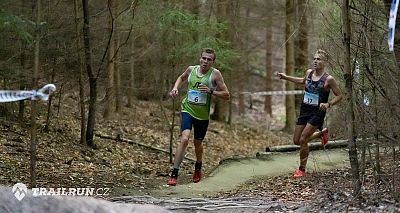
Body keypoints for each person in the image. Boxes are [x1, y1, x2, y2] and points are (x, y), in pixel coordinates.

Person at [167, 48, 230, 186]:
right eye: (204, 58)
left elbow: (226, 95)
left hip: (202, 116)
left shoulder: (215, 75)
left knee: (198, 144)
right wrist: (175, 88)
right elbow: (181, 78)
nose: (205, 62)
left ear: (213, 62)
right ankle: (174, 173)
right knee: (184, 139)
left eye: (209, 59)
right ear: (200, 58)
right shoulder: (191, 69)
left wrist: (211, 91)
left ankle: (198, 165)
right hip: (187, 109)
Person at [277, 49, 343, 178]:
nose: (315, 61)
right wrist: (285, 77)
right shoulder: (309, 73)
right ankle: (321, 133)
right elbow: (302, 81)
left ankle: (301, 169)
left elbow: (340, 95)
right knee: (297, 140)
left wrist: (328, 104)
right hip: (305, 110)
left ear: (325, 62)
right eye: (314, 59)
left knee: (303, 139)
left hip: (317, 112)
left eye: (319, 59)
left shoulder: (329, 79)